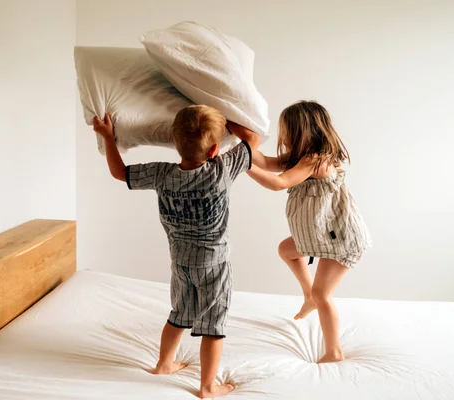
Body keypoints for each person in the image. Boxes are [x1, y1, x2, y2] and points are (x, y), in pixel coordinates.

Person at [92, 105, 260, 398]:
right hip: (214, 263)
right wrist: (223, 110)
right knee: (213, 325)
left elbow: (120, 173)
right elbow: (253, 139)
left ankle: (164, 363)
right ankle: (207, 387)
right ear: (214, 150)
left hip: (179, 260)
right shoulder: (221, 170)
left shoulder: (162, 174)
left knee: (179, 313)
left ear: (173, 141)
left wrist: (108, 136)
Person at [245, 100, 371, 363]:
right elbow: (266, 162)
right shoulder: (302, 159)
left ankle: (334, 352)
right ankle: (308, 295)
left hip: (341, 238)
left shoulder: (316, 160)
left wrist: (242, 166)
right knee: (286, 250)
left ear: (302, 132)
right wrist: (245, 144)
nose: (284, 138)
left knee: (323, 294)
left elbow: (279, 183)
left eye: (287, 132)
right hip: (322, 234)